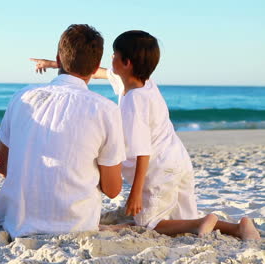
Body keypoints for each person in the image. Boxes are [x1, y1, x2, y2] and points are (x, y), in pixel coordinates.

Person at [31, 30, 260, 240]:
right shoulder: (143, 82)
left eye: (113, 55)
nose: (110, 60)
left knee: (151, 223)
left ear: (126, 63)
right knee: (178, 220)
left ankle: (204, 221)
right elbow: (101, 73)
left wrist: (136, 193)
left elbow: (142, 152)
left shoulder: (134, 102)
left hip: (159, 170)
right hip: (177, 160)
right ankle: (238, 227)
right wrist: (53, 64)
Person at [0, 24, 126, 239]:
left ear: (58, 59)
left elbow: (1, 163)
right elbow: (112, 190)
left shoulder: (22, 97)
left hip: (17, 220)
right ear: (96, 68)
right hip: (75, 224)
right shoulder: (106, 109)